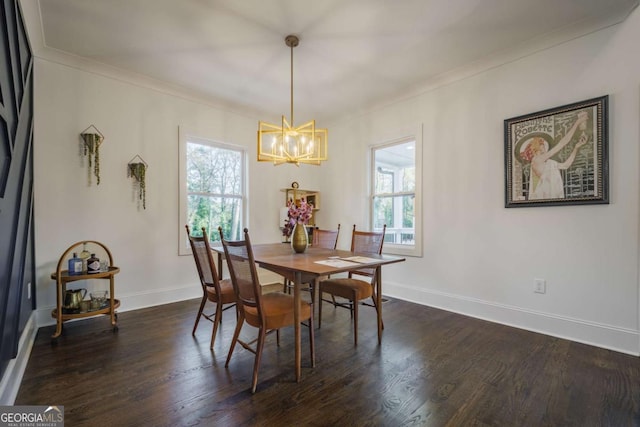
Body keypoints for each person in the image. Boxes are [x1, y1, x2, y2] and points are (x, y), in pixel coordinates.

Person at [520, 112, 589, 200]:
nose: (543, 151)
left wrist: (576, 147)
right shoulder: (536, 160)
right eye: (539, 149)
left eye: (544, 148)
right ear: (534, 151)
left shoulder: (549, 163)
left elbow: (565, 165)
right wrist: (577, 123)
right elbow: (562, 143)